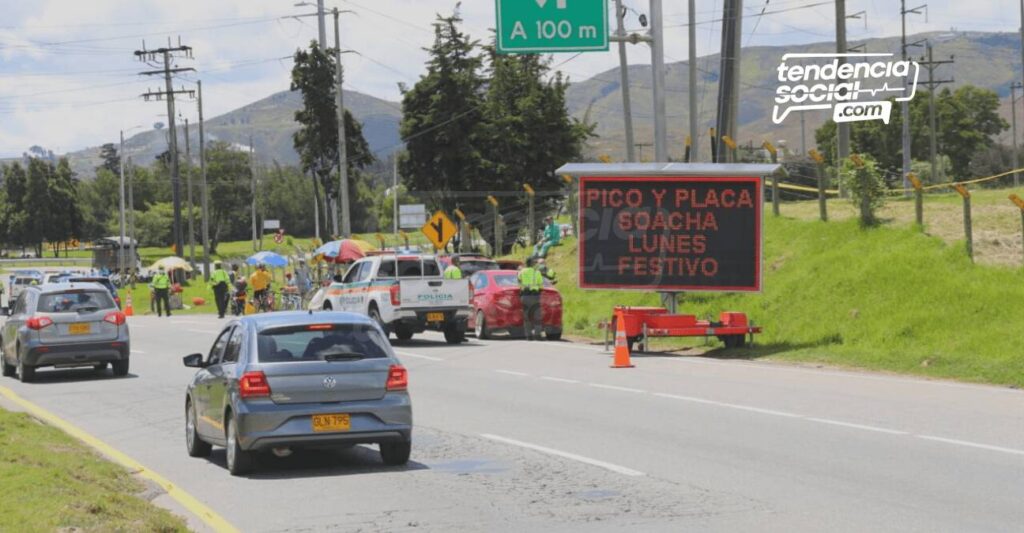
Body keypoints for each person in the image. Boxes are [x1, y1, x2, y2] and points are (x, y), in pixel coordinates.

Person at [517, 257, 545, 341]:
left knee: (527, 317)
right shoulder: (537, 272)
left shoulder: (521, 272)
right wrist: (539, 291)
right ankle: (537, 335)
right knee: (537, 316)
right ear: (532, 264)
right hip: (535, 296)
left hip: (525, 297)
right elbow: (541, 285)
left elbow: (519, 282)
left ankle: (528, 336)